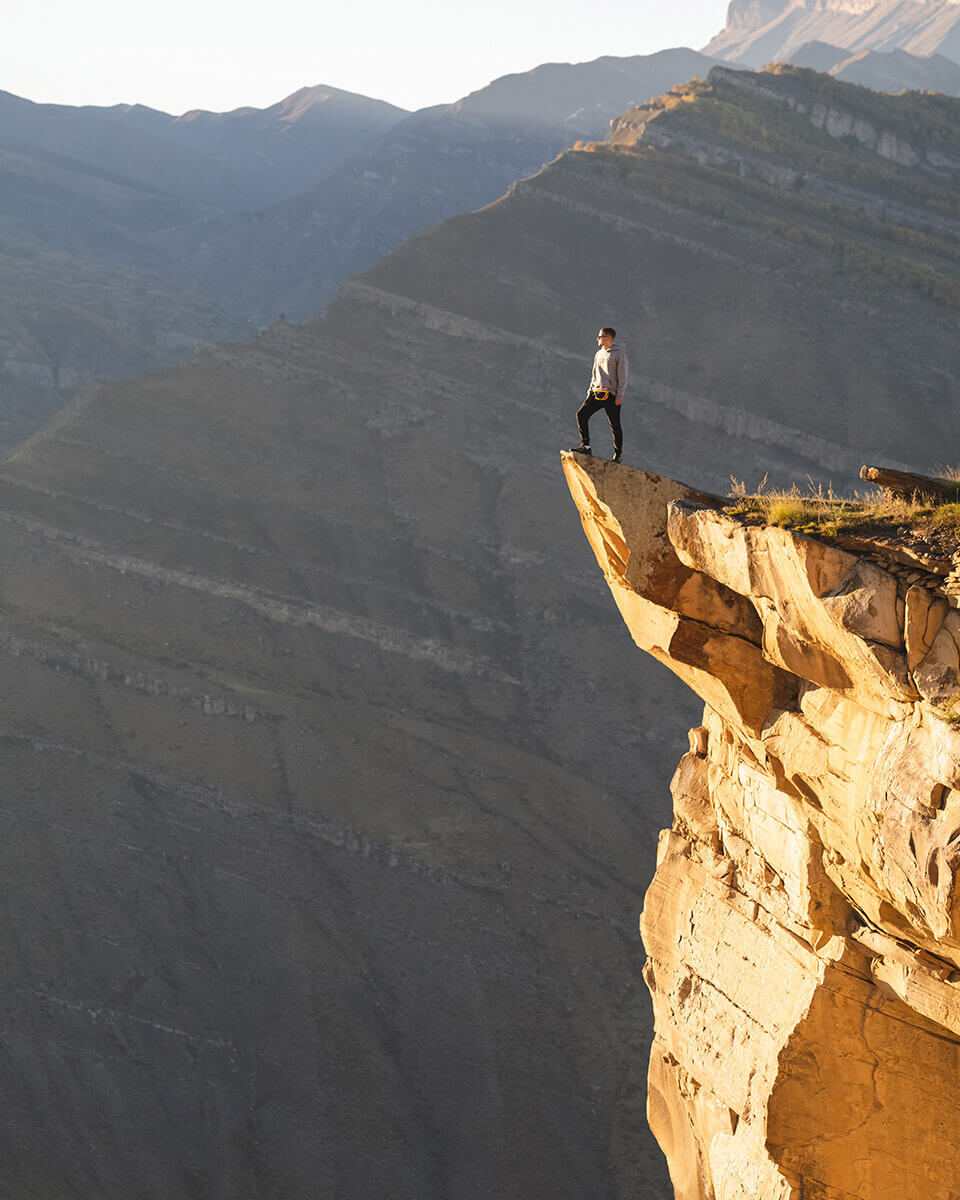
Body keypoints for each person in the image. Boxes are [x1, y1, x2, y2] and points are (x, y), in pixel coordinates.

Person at [569, 327, 628, 463]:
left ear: (608, 338)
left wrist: (620, 396)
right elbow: (594, 375)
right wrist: (590, 391)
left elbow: (623, 377)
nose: (597, 339)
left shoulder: (619, 354)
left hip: (611, 394)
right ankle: (586, 446)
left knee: (614, 424)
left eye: (600, 337)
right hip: (596, 392)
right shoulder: (598, 354)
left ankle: (617, 454)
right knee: (581, 414)